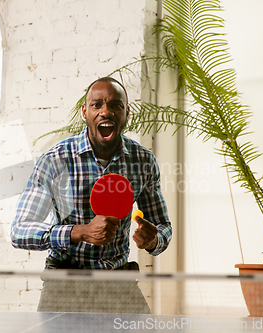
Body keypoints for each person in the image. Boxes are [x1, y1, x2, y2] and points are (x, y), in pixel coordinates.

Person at [11, 77, 172, 313]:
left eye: (115, 105)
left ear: (126, 113)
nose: (105, 111)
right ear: (85, 112)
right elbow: (20, 231)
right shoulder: (55, 160)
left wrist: (153, 240)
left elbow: (162, 226)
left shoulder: (143, 161)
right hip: (65, 285)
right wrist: (80, 232)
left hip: (119, 284)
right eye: (97, 105)